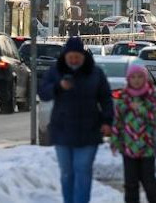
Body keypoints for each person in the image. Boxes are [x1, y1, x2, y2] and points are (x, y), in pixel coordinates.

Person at [39, 37, 113, 203]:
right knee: (67, 173)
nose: (73, 60)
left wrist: (107, 121)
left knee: (83, 170)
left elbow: (106, 99)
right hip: (62, 131)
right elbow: (43, 92)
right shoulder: (56, 71)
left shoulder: (95, 73)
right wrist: (59, 86)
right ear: (65, 56)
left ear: (83, 56)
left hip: (89, 132)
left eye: (77, 56)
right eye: (70, 56)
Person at [110, 64, 156, 203]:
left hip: (147, 148)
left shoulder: (151, 96)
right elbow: (117, 122)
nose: (136, 80)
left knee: (149, 181)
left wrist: (141, 109)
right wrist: (115, 141)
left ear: (145, 78)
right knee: (130, 184)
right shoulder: (123, 97)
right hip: (128, 148)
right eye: (133, 77)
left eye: (140, 76)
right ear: (128, 79)